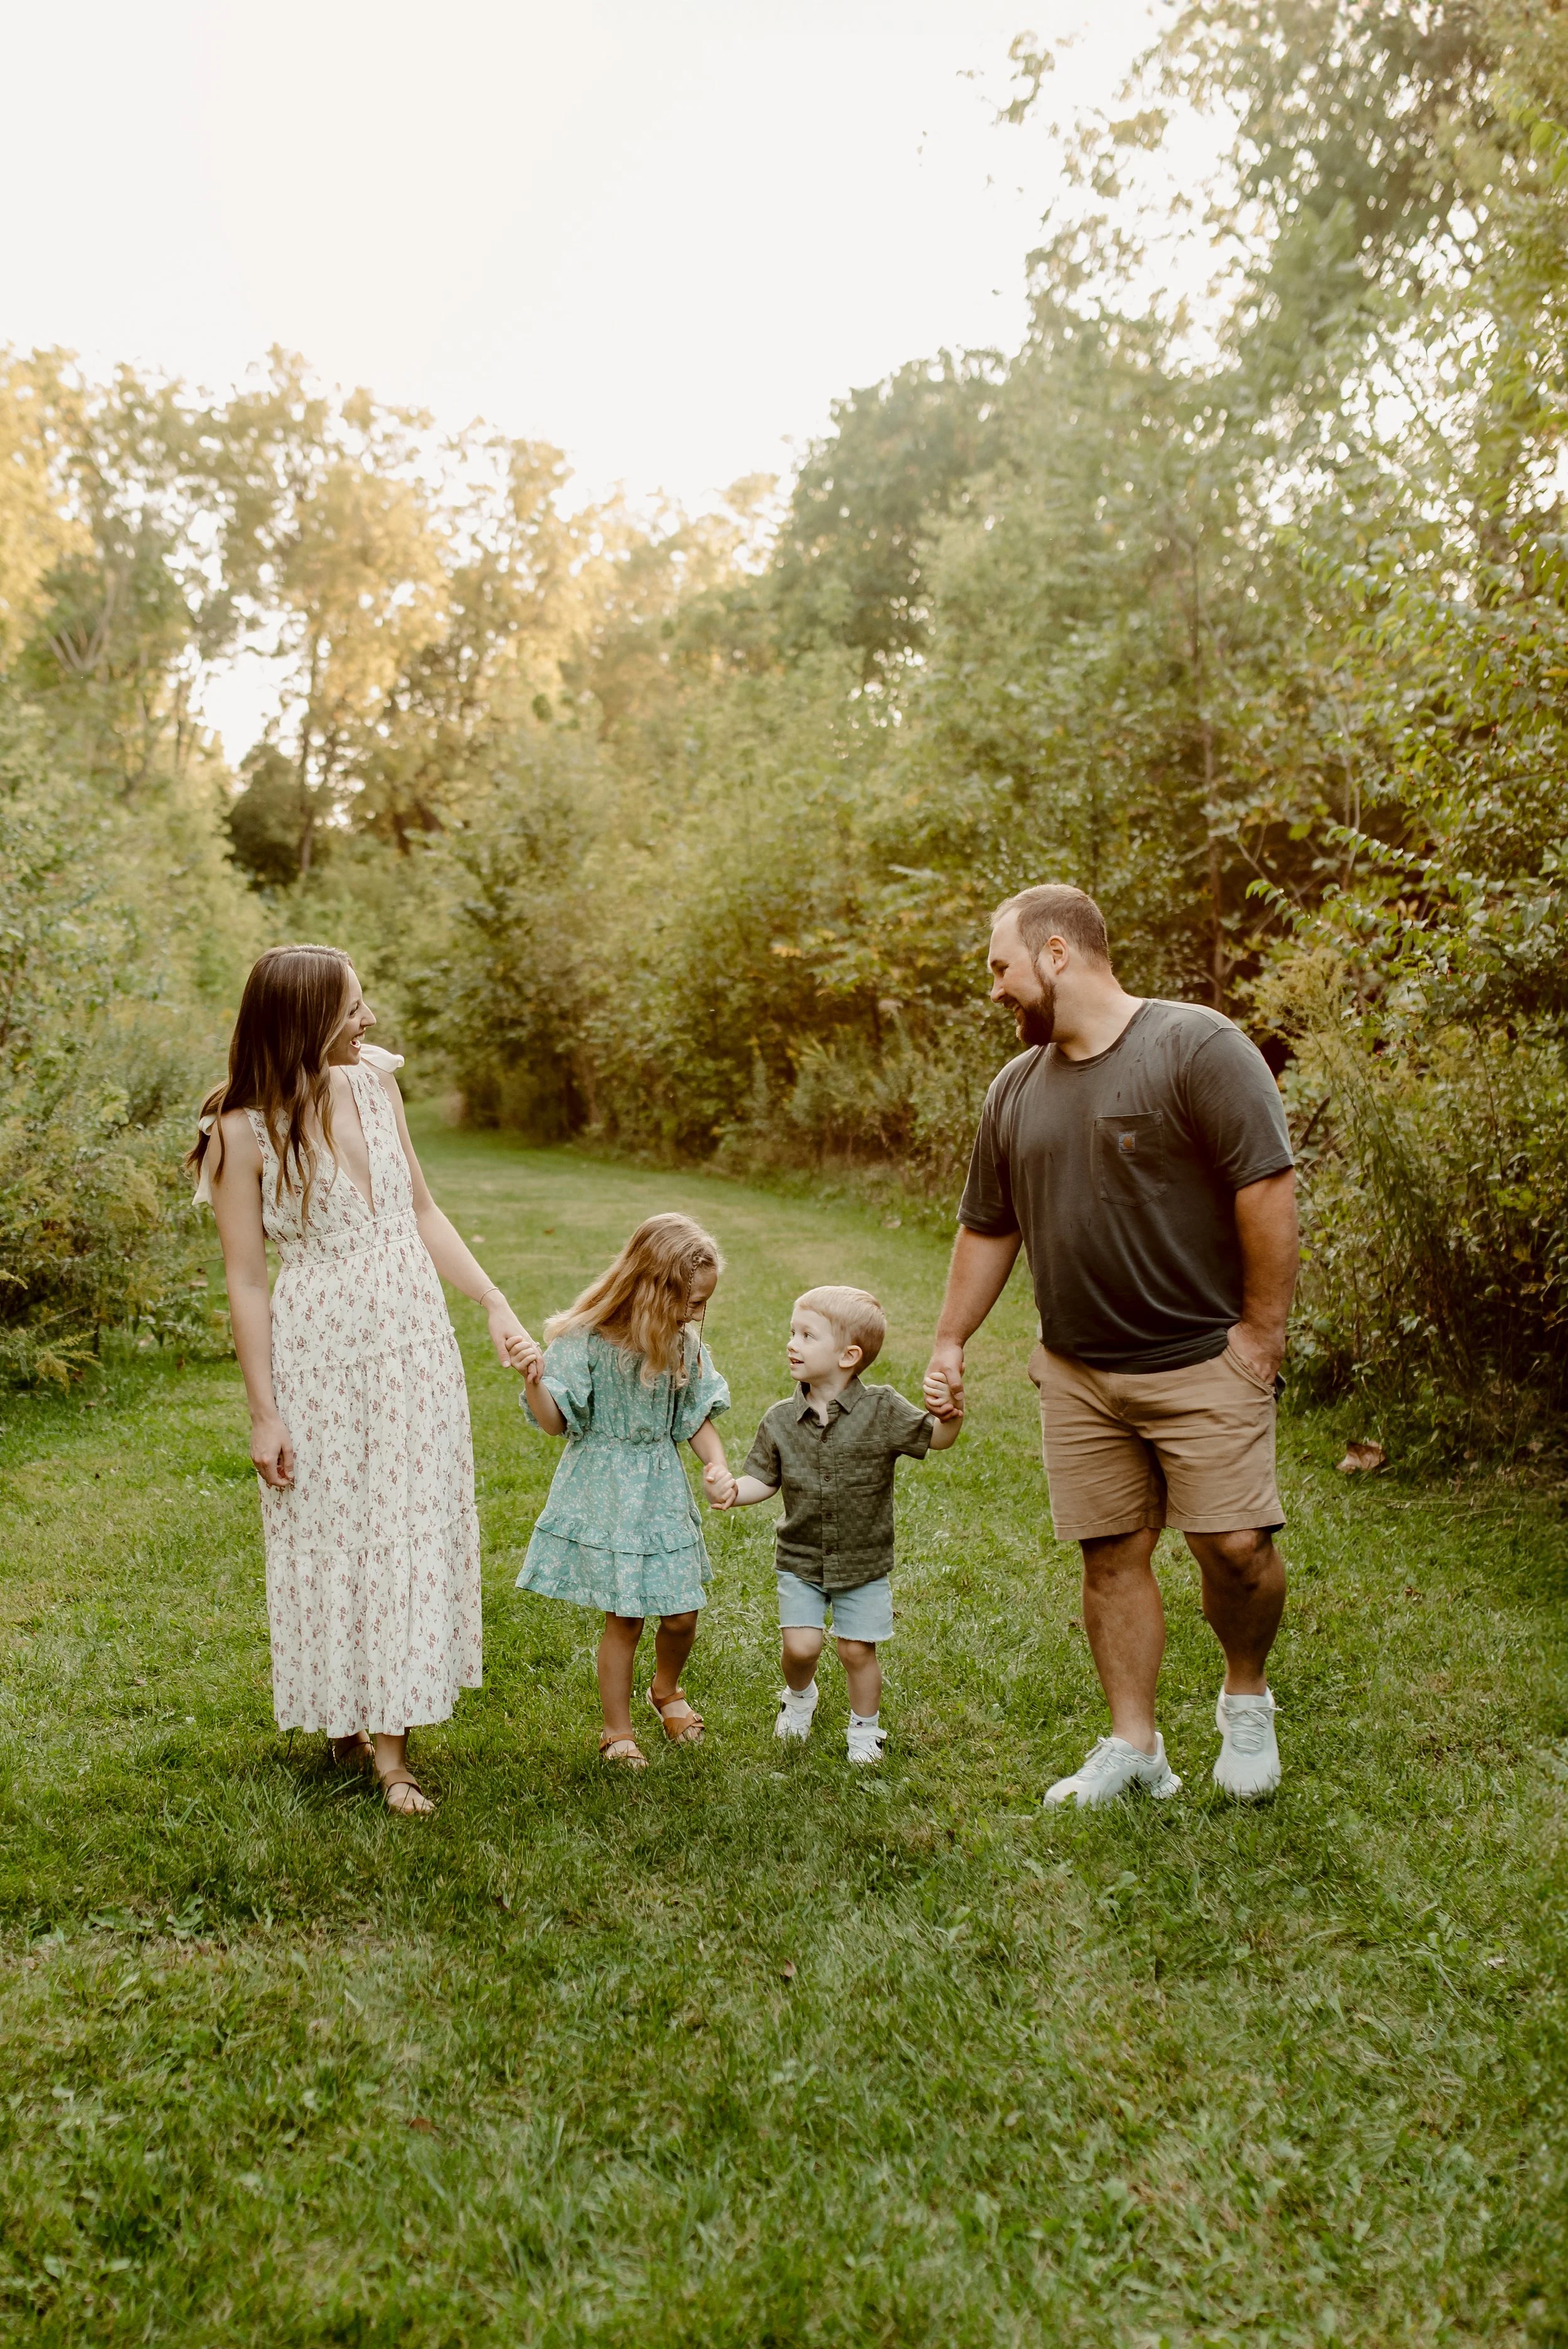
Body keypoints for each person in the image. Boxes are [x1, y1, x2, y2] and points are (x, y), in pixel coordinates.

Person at [923, 884, 1298, 1807]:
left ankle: (1246, 1699)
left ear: (1056, 954)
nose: (996, 991)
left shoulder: (1196, 1047)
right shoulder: (1014, 1089)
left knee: (1236, 1548)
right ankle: (1136, 1746)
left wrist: (1260, 1335)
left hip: (1202, 1357)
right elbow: (988, 1227)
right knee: (1111, 1555)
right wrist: (948, 1342)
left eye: (1001, 968)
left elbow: (1267, 1189)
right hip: (1079, 1371)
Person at [191, 943, 540, 1815]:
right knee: (333, 1523)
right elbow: (245, 1280)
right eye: (353, 1007)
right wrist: (263, 1413)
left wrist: (495, 1304)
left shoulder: (377, 1088)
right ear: (306, 1020)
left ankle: (393, 1748)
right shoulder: (239, 1132)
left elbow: (421, 1210)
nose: (370, 1019)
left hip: (412, 1338)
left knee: (407, 1517)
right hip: (319, 1350)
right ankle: (344, 1711)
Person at [516, 1214, 737, 1769]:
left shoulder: (683, 1346)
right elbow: (555, 1422)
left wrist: (716, 1464)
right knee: (627, 1617)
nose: (698, 1314)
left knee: (683, 1611)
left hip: (660, 1488)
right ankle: (617, 1731)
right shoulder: (586, 1340)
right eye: (691, 1302)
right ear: (651, 1286)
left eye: (703, 1303)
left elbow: (694, 1417)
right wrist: (534, 1381)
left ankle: (666, 1690)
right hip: (608, 1492)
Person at [724, 1286, 963, 1765]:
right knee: (801, 1646)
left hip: (864, 1560)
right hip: (801, 1556)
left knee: (857, 1651)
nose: (792, 1342)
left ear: (849, 1355)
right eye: (793, 1332)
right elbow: (762, 1480)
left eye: (808, 1335)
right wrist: (733, 1490)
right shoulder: (780, 1419)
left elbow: (938, 1438)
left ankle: (865, 1729)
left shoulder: (883, 1409)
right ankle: (799, 1696)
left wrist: (950, 1412)